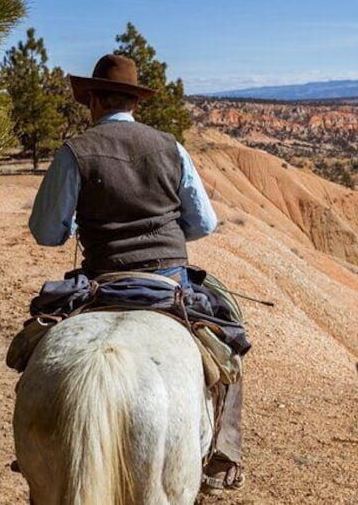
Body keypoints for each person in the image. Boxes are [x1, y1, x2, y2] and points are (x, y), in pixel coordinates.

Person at [27, 53, 244, 492]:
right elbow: (203, 223)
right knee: (229, 340)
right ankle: (223, 452)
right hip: (168, 280)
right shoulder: (170, 147)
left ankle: (41, 451)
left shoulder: (75, 151)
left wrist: (76, 223)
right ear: (135, 104)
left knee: (32, 345)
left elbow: (47, 232)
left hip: (100, 280)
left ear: (92, 101)